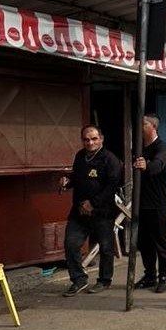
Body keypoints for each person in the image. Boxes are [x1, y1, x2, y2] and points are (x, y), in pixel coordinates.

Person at [60, 124, 123, 296]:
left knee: (106, 247)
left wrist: (93, 203)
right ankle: (79, 279)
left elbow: (111, 186)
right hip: (79, 212)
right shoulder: (80, 156)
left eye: (94, 139)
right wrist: (68, 182)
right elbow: (77, 178)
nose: (90, 142)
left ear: (101, 139)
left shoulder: (110, 160)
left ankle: (104, 280)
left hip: (102, 212)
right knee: (71, 244)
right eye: (86, 139)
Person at [133, 114, 166, 293]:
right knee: (144, 243)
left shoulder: (162, 148)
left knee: (160, 242)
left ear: (153, 127)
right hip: (142, 204)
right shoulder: (141, 148)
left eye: (144, 123)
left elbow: (158, 165)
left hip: (158, 204)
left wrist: (147, 166)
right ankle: (150, 275)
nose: (140, 126)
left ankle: (165, 276)